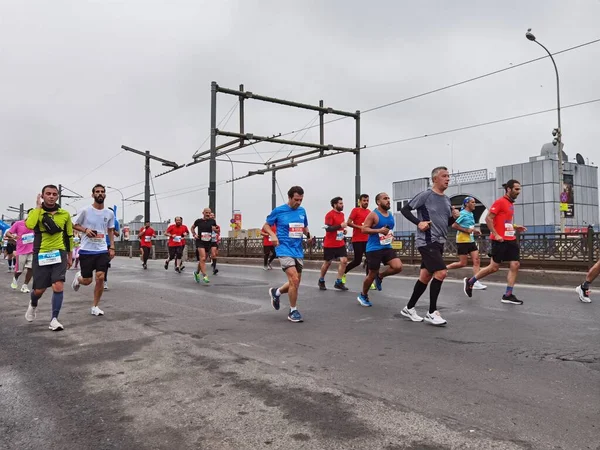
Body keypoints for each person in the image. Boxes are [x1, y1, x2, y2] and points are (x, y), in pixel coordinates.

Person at [400, 166, 459, 326]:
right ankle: (432, 312)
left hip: (439, 242)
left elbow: (446, 224)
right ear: (435, 179)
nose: (448, 179)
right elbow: (405, 209)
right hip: (426, 241)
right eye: (444, 176)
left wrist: (454, 218)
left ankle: (409, 308)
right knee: (441, 272)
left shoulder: (447, 200)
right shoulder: (426, 195)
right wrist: (419, 222)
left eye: (448, 176)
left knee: (425, 277)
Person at [463, 180, 526, 305]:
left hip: (510, 239)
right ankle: (470, 282)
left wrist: (514, 226)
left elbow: (504, 222)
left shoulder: (510, 204)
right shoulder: (500, 202)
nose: (519, 192)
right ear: (508, 189)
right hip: (499, 240)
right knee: (494, 268)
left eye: (519, 189)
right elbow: (488, 218)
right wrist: (496, 234)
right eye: (516, 189)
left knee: (515, 265)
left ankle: (508, 295)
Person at [25, 185, 74, 331]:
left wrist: (70, 256)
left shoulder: (64, 214)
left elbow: (69, 236)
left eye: (54, 194)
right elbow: (29, 225)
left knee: (58, 285)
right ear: (43, 195)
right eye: (48, 194)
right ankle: (33, 304)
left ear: (57, 196)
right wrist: (38, 207)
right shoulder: (36, 212)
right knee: (39, 290)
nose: (51, 196)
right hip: (41, 254)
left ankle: (54, 319)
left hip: (59, 253)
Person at [265, 186, 313, 323]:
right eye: (296, 199)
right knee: (294, 279)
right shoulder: (279, 210)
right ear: (290, 197)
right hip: (283, 248)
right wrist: (273, 235)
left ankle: (277, 292)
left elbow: (304, 227)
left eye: (301, 200)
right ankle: (293, 311)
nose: (298, 202)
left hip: (297, 249)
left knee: (296, 282)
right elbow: (266, 225)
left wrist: (309, 235)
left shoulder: (302, 211)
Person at [71, 184, 115, 316]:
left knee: (100, 277)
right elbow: (73, 224)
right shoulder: (85, 210)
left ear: (105, 195)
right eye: (97, 192)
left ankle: (95, 306)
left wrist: (112, 246)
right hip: (86, 250)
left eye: (102, 192)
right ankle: (79, 277)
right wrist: (85, 230)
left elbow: (110, 230)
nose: (100, 193)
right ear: (93, 195)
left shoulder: (109, 213)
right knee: (87, 281)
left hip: (101, 250)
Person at [357, 192, 403, 307]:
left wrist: (390, 237)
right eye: (385, 198)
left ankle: (380, 276)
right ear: (378, 202)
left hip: (387, 247)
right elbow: (364, 229)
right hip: (374, 248)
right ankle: (363, 295)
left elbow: (389, 230)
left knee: (398, 267)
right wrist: (379, 231)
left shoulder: (391, 214)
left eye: (388, 198)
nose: (388, 200)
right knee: (371, 273)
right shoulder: (373, 215)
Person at [446, 197, 487, 290]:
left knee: (477, 260)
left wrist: (475, 231)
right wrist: (466, 230)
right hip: (462, 241)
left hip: (471, 240)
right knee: (462, 263)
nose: (474, 204)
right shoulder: (463, 213)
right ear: (467, 204)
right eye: (472, 202)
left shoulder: (471, 213)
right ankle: (444, 268)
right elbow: (454, 225)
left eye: (475, 202)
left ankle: (475, 281)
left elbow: (469, 227)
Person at [344, 194, 375, 290]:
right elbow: (348, 222)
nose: (366, 202)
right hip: (357, 240)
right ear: (360, 201)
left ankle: (369, 281)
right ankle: (343, 273)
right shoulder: (355, 210)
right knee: (357, 261)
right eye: (364, 200)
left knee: (370, 260)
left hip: (368, 240)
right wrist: (359, 227)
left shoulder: (370, 212)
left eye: (367, 200)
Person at [318, 196, 349, 291]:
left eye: (342, 203)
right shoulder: (329, 215)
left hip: (340, 242)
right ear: (335, 205)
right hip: (330, 243)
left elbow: (341, 227)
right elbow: (328, 228)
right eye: (340, 203)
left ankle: (338, 282)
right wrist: (340, 226)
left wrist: (343, 231)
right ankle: (321, 280)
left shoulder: (342, 214)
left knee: (344, 261)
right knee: (328, 263)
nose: (342, 205)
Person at [6, 210, 35, 293]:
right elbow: (8, 233)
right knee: (19, 271)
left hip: (32, 251)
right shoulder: (18, 224)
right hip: (21, 251)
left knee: (31, 269)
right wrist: (13, 236)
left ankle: (25, 286)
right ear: (28, 215)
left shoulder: (36, 225)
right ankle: (15, 278)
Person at [192, 209, 217, 283]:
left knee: (203, 259)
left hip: (208, 241)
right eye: (206, 213)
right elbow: (192, 227)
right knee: (202, 258)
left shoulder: (212, 221)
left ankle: (196, 273)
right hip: (200, 241)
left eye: (209, 213)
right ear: (203, 213)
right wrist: (194, 234)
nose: (208, 214)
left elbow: (216, 230)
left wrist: (215, 230)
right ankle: (204, 275)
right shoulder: (198, 221)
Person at [102, 206, 120, 290]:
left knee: (105, 263)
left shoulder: (115, 222)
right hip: (100, 243)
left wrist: (112, 230)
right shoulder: (101, 219)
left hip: (109, 243)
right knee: (102, 263)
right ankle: (103, 279)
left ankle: (104, 280)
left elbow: (117, 234)